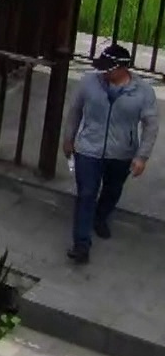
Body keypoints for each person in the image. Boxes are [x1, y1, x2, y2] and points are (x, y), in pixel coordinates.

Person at [62, 43, 159, 263]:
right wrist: (69, 138)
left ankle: (101, 216)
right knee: (86, 193)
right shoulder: (89, 82)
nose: (104, 72)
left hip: (121, 152)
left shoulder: (143, 93)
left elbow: (151, 125)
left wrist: (141, 156)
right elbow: (75, 111)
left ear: (123, 69)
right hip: (89, 149)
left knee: (112, 190)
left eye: (109, 69)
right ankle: (81, 245)